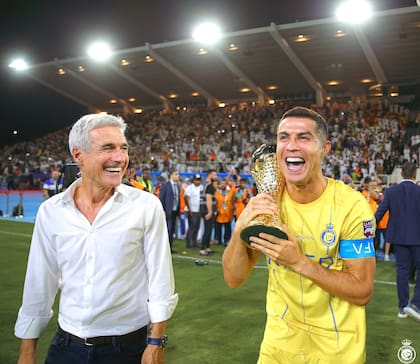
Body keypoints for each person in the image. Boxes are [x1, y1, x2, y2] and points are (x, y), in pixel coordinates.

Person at [15, 114, 178, 364]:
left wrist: (156, 342)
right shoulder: (51, 212)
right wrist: (27, 352)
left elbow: (160, 280)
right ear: (78, 155)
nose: (120, 158)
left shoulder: (146, 207)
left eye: (123, 148)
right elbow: (39, 284)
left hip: (127, 349)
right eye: (108, 148)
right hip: (66, 346)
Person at [222, 106, 376, 364]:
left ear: (325, 148)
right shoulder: (269, 203)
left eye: (303, 138)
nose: (291, 146)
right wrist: (240, 229)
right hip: (278, 346)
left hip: (336, 349)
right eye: (284, 137)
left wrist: (300, 263)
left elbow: (362, 290)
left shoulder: (352, 207)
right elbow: (233, 278)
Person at [375, 161, 420, 321]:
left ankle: (402, 308)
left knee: (402, 272)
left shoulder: (391, 191)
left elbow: (379, 213)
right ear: (415, 175)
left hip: (398, 238)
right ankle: (415, 305)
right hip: (417, 238)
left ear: (401, 174)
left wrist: (366, 229)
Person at [159, 169, 181, 252]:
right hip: (168, 211)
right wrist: (163, 210)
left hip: (175, 211)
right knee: (168, 229)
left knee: (172, 230)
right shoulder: (165, 186)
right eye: (176, 174)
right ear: (171, 175)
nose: (178, 176)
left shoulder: (177, 186)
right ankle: (165, 248)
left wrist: (178, 212)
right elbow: (162, 199)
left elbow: (178, 199)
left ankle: (170, 247)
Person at [199, 169, 218, 256]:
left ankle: (207, 247)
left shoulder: (204, 184)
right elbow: (208, 199)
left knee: (208, 229)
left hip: (203, 209)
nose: (216, 177)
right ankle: (203, 248)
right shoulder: (209, 186)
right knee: (207, 229)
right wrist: (210, 211)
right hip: (207, 210)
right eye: (214, 175)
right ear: (210, 175)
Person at [184, 174, 203, 249]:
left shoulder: (202, 188)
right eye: (196, 180)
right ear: (193, 180)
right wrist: (189, 209)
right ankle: (189, 243)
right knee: (191, 227)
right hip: (192, 210)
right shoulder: (190, 188)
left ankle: (194, 242)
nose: (198, 181)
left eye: (199, 180)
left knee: (197, 227)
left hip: (199, 210)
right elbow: (186, 198)